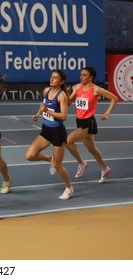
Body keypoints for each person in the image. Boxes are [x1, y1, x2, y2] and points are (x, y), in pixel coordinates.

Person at [25, 70, 74, 200]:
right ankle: (49, 159)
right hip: (46, 130)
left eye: (55, 78)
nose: (52, 79)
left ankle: (69, 188)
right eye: (51, 77)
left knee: (59, 165)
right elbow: (43, 105)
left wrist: (47, 111)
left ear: (61, 81)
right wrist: (38, 113)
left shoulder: (61, 96)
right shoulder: (46, 91)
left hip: (58, 133)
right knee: (29, 155)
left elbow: (64, 116)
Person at [66, 66, 118, 183]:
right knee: (92, 150)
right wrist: (68, 94)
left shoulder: (96, 89)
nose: (81, 77)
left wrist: (107, 113)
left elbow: (114, 98)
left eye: (84, 75)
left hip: (89, 123)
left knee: (67, 141)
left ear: (91, 77)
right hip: (79, 121)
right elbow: (69, 103)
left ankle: (81, 163)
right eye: (81, 75)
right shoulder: (77, 87)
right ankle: (105, 168)